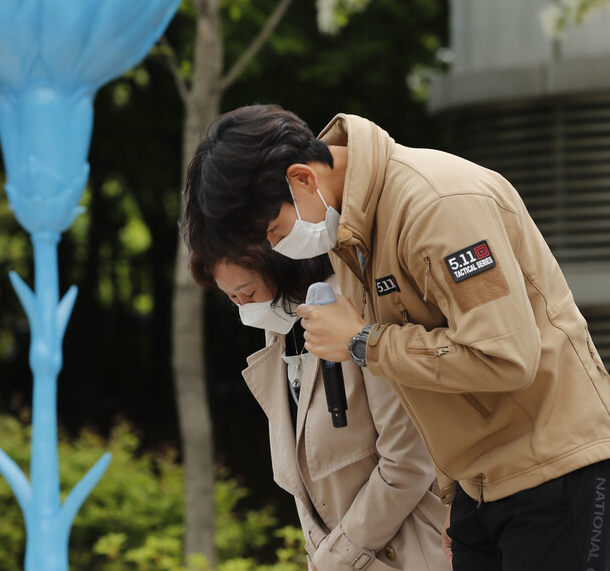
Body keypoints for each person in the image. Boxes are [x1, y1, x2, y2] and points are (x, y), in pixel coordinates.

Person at [182, 104, 610, 571]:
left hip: (556, 466)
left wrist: (363, 341)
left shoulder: (437, 203)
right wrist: (455, 490)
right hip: (480, 483)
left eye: (274, 230)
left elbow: (505, 356)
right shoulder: (350, 234)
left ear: (302, 178)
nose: (280, 247)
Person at [188, 244, 448, 570]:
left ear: (274, 261)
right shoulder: (279, 326)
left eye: (247, 293)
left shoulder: (353, 301)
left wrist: (338, 555)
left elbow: (409, 459)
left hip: (408, 552)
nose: (245, 308)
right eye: (233, 299)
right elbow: (301, 478)